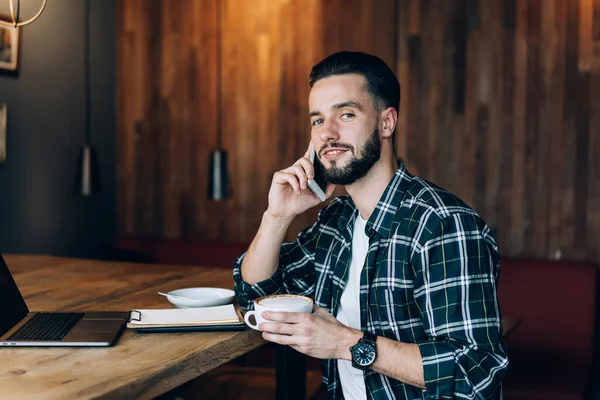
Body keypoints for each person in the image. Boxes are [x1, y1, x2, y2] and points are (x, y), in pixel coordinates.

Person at [233, 51, 508, 399]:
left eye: (345, 114)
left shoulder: (441, 224)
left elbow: (476, 371)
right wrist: (277, 215)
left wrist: (346, 343)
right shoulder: (337, 221)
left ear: (386, 123)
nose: (327, 134)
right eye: (317, 121)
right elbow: (257, 294)